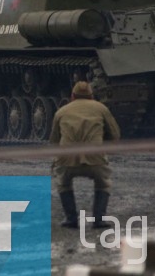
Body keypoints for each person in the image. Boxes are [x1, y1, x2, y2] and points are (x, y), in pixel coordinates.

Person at [50, 81, 121, 229]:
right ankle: (99, 219)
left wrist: (57, 160)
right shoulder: (101, 108)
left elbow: (54, 141)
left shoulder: (61, 111)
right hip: (94, 157)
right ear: (92, 96)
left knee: (63, 182)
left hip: (67, 159)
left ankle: (71, 219)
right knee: (104, 182)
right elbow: (115, 135)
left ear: (72, 96)